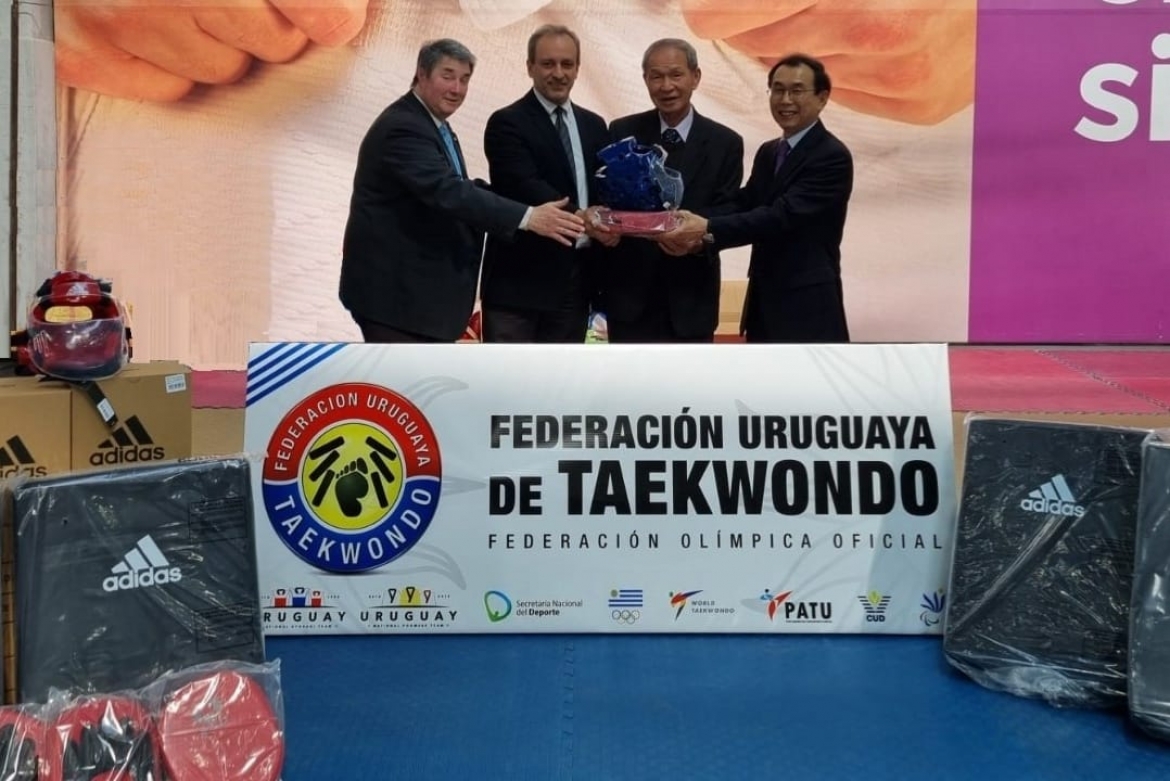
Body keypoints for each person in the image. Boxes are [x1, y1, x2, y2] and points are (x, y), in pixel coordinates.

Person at [338, 38, 585, 343]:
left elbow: (460, 187)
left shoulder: (433, 124)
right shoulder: (404, 127)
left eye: (464, 79)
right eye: (448, 76)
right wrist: (528, 216)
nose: (457, 89)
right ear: (421, 74)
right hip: (396, 301)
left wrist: (516, 201)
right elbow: (448, 191)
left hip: (416, 301)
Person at [659, 53, 852, 343]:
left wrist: (706, 227)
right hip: (764, 300)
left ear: (822, 98)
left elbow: (781, 216)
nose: (785, 100)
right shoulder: (770, 152)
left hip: (807, 305)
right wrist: (692, 229)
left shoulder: (831, 156)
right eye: (778, 89)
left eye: (797, 90)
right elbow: (746, 203)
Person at [598, 38, 743, 343]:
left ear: (695, 77)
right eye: (656, 76)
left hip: (692, 296)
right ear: (645, 80)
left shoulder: (726, 142)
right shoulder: (622, 132)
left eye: (676, 75)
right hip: (630, 298)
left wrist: (696, 239)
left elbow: (728, 209)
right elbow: (606, 197)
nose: (666, 86)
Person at [478, 25, 612, 343]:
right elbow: (523, 184)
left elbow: (605, 189)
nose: (558, 73)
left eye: (567, 64)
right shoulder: (507, 122)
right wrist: (585, 218)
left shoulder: (594, 125)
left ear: (578, 68)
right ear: (530, 67)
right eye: (548, 64)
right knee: (509, 374)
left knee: (562, 374)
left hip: (577, 282)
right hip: (519, 285)